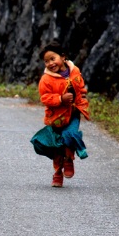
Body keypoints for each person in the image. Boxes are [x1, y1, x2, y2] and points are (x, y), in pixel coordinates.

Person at [32, 41, 90, 187]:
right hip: (56, 117)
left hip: (73, 113)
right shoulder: (46, 80)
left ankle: (70, 159)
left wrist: (81, 100)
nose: (50, 63)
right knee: (57, 146)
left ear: (63, 57)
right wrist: (60, 99)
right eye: (46, 61)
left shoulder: (74, 71)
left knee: (69, 135)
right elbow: (44, 98)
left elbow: (81, 87)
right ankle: (58, 173)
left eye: (53, 58)